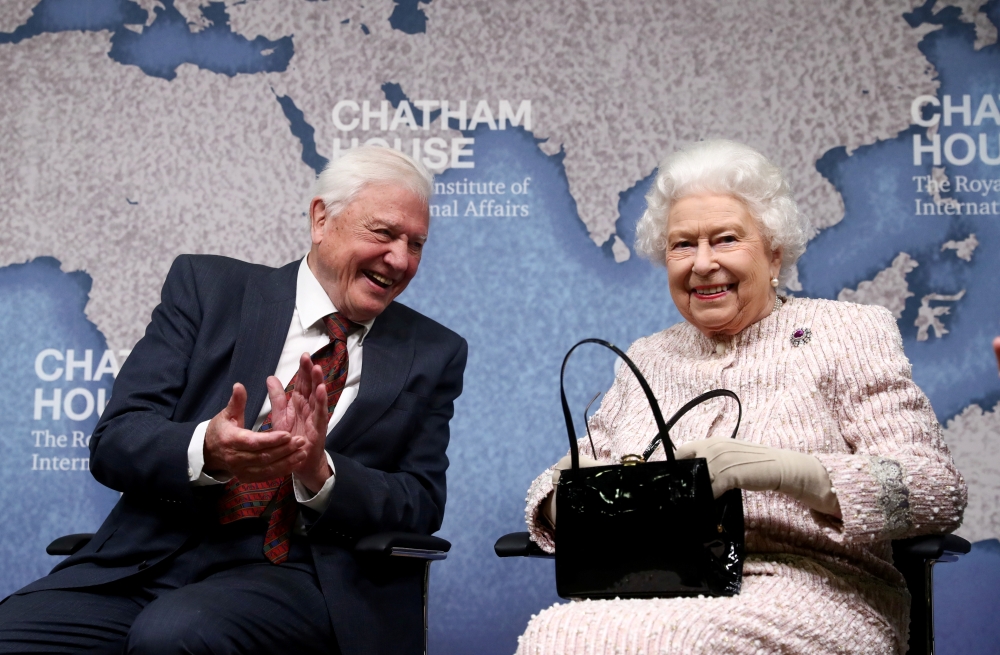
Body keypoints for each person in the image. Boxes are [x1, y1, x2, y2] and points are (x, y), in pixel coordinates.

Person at [0, 145, 467, 655]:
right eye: (383, 233)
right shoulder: (208, 289)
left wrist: (321, 472)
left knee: (172, 634)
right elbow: (117, 439)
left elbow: (420, 501)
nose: (399, 259)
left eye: (415, 244)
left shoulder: (432, 352)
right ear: (321, 219)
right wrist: (209, 448)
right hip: (151, 557)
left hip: (299, 574)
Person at [518, 140, 966, 655]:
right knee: (552, 634)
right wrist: (568, 494)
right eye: (682, 245)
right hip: (658, 590)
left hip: (818, 589)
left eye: (726, 239)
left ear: (774, 252)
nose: (703, 264)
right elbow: (558, 484)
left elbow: (935, 488)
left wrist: (784, 470)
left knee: (679, 642)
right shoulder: (647, 356)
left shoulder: (847, 332)